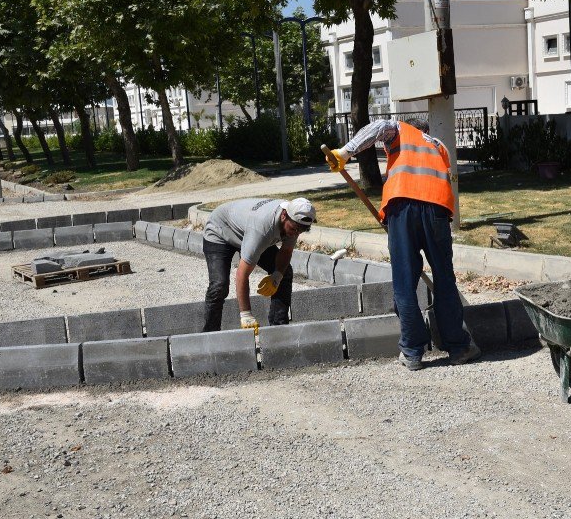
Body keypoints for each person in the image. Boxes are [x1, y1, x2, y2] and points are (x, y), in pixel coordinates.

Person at [327, 118, 480, 369]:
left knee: (404, 280)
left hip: (401, 208)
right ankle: (459, 347)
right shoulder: (440, 146)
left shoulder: (399, 129)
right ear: (427, 131)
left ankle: (412, 351)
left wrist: (344, 153)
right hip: (438, 210)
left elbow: (377, 128)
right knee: (444, 278)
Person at [201, 197, 316, 332]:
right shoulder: (262, 228)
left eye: (300, 231)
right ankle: (210, 335)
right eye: (294, 229)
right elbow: (242, 274)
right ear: (284, 215)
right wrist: (246, 315)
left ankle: (279, 331)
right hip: (219, 230)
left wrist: (277, 276)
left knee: (285, 273)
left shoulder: (295, 219)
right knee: (219, 286)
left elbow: (286, 251)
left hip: (246, 230)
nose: (296, 234)